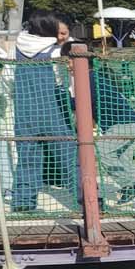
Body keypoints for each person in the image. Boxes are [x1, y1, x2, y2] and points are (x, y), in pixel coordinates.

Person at [11, 16, 79, 212]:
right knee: (69, 158)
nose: (62, 37)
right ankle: (87, 199)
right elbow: (67, 80)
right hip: (53, 109)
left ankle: (23, 202)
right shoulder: (57, 50)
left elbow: (8, 78)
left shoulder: (17, 46)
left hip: (24, 111)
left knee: (27, 159)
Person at [90, 60, 135, 210]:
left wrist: (60, 95)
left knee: (101, 151)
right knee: (125, 161)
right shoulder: (108, 86)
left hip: (121, 126)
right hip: (132, 124)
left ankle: (128, 186)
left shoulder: (91, 79)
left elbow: (82, 102)